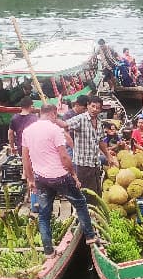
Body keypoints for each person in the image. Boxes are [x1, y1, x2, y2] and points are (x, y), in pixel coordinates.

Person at [22, 105, 98, 254]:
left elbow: (25, 158)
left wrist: (30, 179)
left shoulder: (27, 131)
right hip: (59, 176)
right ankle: (90, 236)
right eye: (56, 116)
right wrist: (74, 175)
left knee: (44, 214)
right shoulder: (54, 129)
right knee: (80, 203)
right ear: (53, 114)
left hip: (41, 178)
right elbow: (64, 156)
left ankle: (48, 250)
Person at [66, 95, 116, 197]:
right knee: (86, 193)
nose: (94, 109)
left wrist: (108, 156)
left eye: (97, 108)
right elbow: (65, 125)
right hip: (83, 164)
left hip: (95, 163)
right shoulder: (80, 119)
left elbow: (101, 141)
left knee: (96, 192)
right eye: (92, 106)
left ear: (101, 109)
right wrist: (71, 144)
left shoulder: (99, 123)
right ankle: (86, 211)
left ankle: (94, 211)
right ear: (88, 106)